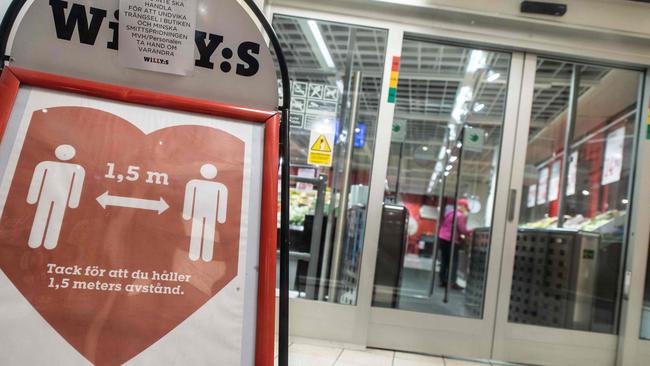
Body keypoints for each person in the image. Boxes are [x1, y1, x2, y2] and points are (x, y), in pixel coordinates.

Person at [26, 144, 85, 250]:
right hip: (45, 196)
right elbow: (37, 179)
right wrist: (32, 196)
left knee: (56, 219)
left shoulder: (77, 169)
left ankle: (50, 242)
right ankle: (34, 241)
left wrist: (73, 201)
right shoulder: (45, 165)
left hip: (62, 199)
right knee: (40, 215)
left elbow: (77, 185)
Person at [183, 163, 228, 262]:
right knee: (197, 232)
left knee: (208, 234)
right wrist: (187, 213)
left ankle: (207, 254)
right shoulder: (194, 183)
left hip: (210, 214)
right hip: (198, 214)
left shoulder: (220, 187)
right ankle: (195, 253)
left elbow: (222, 201)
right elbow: (189, 198)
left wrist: (221, 217)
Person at [437, 198, 471, 290]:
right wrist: (471, 232)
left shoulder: (451, 213)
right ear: (463, 206)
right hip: (451, 240)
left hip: (442, 238)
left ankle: (442, 281)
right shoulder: (460, 216)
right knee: (453, 262)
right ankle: (451, 282)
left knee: (445, 261)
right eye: (466, 207)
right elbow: (463, 230)